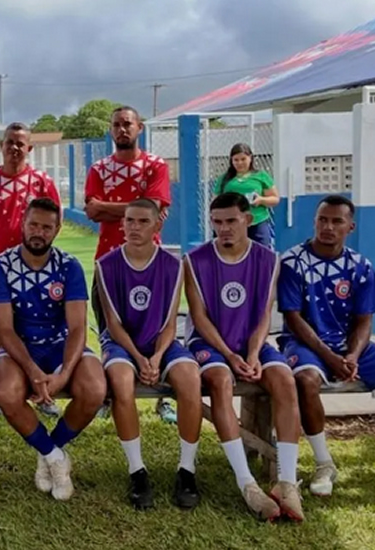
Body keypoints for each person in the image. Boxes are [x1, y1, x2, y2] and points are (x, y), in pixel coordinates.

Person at [184, 192, 303, 522]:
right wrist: (228, 355)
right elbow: (199, 317)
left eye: (231, 221)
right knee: (221, 380)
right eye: (217, 222)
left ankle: (287, 483)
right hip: (209, 343)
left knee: (283, 380)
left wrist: (252, 354)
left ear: (248, 220)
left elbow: (264, 313)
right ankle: (247, 483)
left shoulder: (268, 259)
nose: (223, 229)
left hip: (253, 341)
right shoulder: (194, 261)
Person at [0, 198, 106, 501]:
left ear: (57, 229)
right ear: (22, 224)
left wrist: (65, 373)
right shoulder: (0, 265)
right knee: (6, 392)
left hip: (61, 344)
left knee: (94, 389)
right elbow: (5, 330)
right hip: (20, 348)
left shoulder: (69, 266)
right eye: (33, 224)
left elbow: (78, 328)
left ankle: (47, 449)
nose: (38, 232)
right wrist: (33, 370)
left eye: (46, 227)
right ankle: (55, 457)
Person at [95, 198, 203, 510]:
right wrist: (139, 358)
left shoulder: (173, 265)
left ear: (158, 225)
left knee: (190, 379)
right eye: (129, 221)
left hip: (161, 344)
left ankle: (187, 470)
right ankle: (137, 471)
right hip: (121, 344)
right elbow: (113, 324)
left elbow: (170, 322)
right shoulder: (106, 265)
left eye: (143, 221)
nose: (134, 227)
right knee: (121, 381)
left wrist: (155, 358)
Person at [277, 194, 375, 496]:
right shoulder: (292, 262)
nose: (328, 226)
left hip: (346, 346)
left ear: (350, 227)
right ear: (314, 222)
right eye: (322, 219)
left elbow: (365, 321)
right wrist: (330, 357)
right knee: (306, 379)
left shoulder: (360, 266)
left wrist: (351, 355)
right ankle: (324, 463)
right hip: (304, 343)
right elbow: (293, 318)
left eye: (336, 221)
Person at [83, 106, 176, 424]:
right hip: (108, 263)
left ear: (139, 128)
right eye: (116, 124)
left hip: (152, 264)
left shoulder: (155, 165)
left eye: (128, 124)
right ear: (110, 130)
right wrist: (141, 209)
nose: (122, 129)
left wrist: (109, 207)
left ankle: (164, 397)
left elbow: (155, 205)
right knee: (109, 329)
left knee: (159, 326)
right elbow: (92, 212)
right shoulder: (98, 168)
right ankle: (110, 393)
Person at [0, 121, 62, 418]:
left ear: (29, 148)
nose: (14, 148)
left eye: (21, 143)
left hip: (37, 265)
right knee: (2, 325)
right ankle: (1, 390)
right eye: (10, 142)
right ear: (1, 146)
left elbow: (53, 218)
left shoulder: (41, 182)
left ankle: (45, 391)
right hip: (0, 266)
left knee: (40, 322)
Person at [214, 143, 279, 249]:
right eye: (236, 160)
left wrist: (261, 200)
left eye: (243, 159)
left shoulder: (261, 176)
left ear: (250, 158)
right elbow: (216, 202)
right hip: (232, 225)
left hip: (257, 221)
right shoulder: (224, 179)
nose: (240, 163)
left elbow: (275, 199)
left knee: (261, 254)